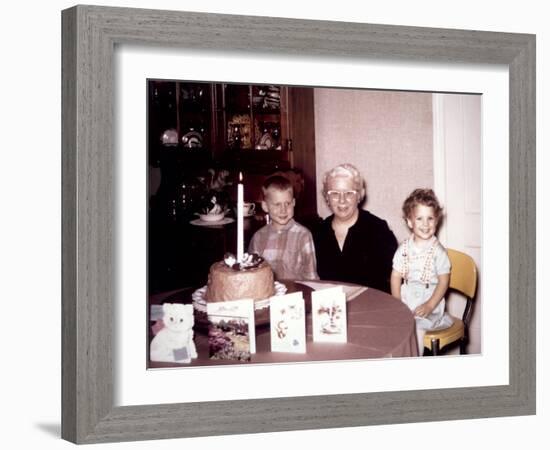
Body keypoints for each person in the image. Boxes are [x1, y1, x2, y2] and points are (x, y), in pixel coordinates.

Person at [313, 163, 397, 293]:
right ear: (326, 197)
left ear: (359, 195)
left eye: (349, 193)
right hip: (330, 309)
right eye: (335, 193)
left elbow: (392, 282)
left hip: (371, 307)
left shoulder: (378, 230)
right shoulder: (317, 233)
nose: (342, 200)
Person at [390, 188, 453, 355]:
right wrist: (397, 302)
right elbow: (396, 276)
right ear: (410, 222)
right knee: (391, 325)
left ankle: (414, 363)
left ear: (436, 221)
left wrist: (430, 305)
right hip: (407, 297)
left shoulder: (438, 251)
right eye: (419, 219)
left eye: (430, 218)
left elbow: (444, 281)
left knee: (416, 327)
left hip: (429, 299)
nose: (425, 224)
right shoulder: (403, 248)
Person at [248, 175, 319, 280]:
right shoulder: (258, 237)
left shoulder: (303, 235)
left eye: (288, 203)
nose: (283, 210)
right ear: (265, 206)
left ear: (294, 203)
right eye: (277, 204)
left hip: (296, 293)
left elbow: (311, 276)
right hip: (267, 293)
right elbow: (252, 274)